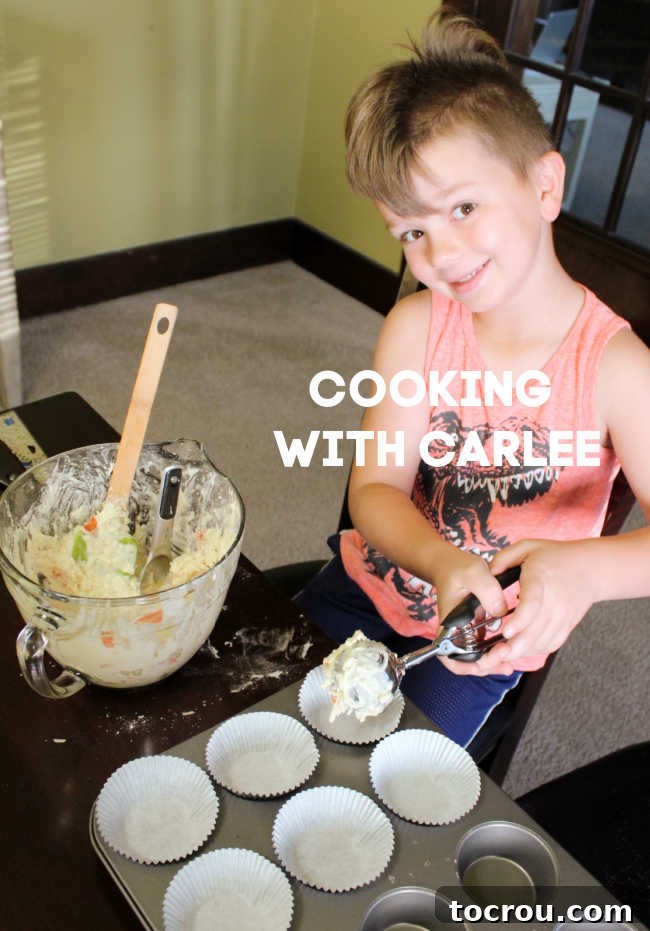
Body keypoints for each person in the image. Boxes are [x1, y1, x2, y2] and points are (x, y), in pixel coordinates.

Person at [295, 7, 650, 747]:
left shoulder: (616, 369)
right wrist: (443, 561)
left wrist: (583, 572)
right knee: (263, 721)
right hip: (370, 584)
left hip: (482, 646)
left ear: (545, 186)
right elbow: (375, 489)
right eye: (412, 231)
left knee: (391, 780)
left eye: (463, 206)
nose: (441, 253)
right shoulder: (416, 327)